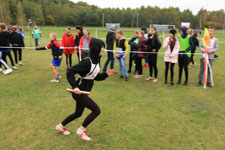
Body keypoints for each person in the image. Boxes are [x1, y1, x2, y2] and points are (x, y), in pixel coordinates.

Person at [55, 38, 113, 141]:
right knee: (96, 110)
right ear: (96, 48)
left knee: (78, 113)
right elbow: (70, 72)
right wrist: (74, 87)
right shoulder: (87, 62)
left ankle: (60, 126)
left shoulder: (96, 61)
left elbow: (94, 77)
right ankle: (81, 130)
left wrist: (106, 74)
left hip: (84, 92)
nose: (103, 50)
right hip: (79, 92)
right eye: (102, 47)